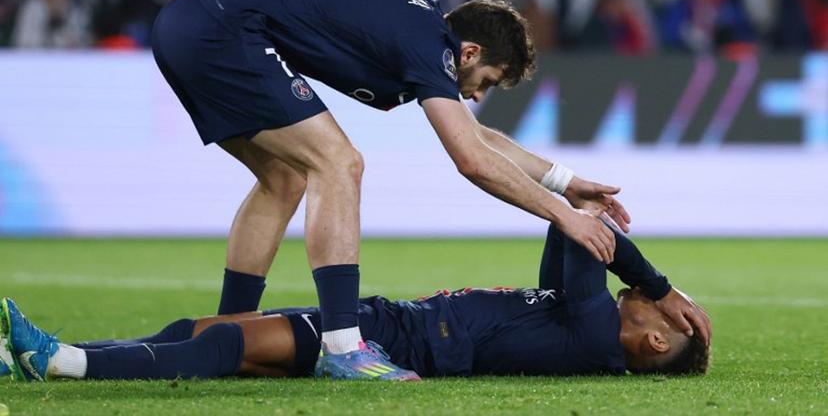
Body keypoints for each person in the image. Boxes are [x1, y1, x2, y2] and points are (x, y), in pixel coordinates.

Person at [149, 0, 631, 379]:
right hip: (223, 31)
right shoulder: (431, 46)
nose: (477, 96)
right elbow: (471, 159)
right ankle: (342, 348)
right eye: (484, 82)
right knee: (339, 162)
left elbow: (478, 138)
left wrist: (567, 184)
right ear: (469, 53)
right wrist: (563, 216)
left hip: (190, 24)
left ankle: (232, 327)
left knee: (285, 178)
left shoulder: (424, 30)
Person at [0, 221, 711, 382]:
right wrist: (581, 205)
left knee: (225, 345)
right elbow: (571, 227)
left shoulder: (593, 332)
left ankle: (62, 362)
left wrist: (660, 282)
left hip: (397, 339)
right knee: (204, 329)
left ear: (652, 343)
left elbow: (589, 240)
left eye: (660, 318)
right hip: (401, 325)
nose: (640, 300)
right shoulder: (580, 325)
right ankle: (31, 358)